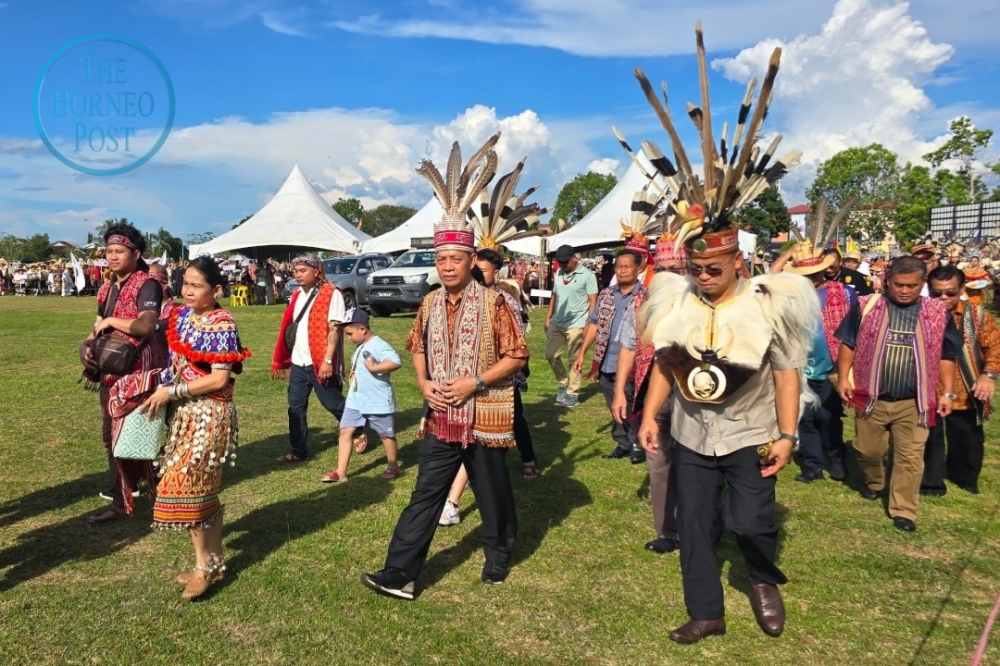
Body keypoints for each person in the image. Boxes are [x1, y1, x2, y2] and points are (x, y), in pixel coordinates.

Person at [633, 33, 814, 643]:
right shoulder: (677, 301)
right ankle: (706, 610)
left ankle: (763, 575)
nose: (703, 278)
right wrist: (651, 416)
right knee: (698, 526)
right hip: (690, 432)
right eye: (695, 269)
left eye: (712, 269)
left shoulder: (770, 303)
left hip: (750, 432)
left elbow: (788, 371)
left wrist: (788, 434)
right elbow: (666, 362)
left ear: (737, 261)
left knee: (752, 520)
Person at [362, 135, 529, 600]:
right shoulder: (430, 302)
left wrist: (475, 380)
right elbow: (416, 346)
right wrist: (423, 383)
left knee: (492, 491)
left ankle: (498, 554)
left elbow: (518, 355)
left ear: (471, 260)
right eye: (441, 259)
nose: (448, 266)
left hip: (485, 412)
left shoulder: (495, 302)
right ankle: (400, 572)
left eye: (456, 258)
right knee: (425, 494)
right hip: (442, 415)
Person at [138, 256, 251, 600]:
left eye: (196, 285)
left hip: (209, 416)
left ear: (216, 290)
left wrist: (172, 391)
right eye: (185, 283)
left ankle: (205, 567)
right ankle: (210, 562)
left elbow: (219, 378)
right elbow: (176, 362)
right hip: (183, 414)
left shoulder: (222, 323)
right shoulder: (183, 316)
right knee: (199, 489)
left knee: (188, 488)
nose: (187, 290)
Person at [438, 180, 546, 525]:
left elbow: (517, 351)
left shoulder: (503, 302)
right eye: (444, 260)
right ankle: (455, 499)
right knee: (470, 446)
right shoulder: (440, 302)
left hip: (498, 384)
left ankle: (523, 464)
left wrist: (485, 376)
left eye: (475, 268)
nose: (464, 272)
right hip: (460, 392)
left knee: (508, 428)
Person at [836, 256, 962, 532]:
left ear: (922, 285)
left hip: (914, 402)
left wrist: (948, 393)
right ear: (886, 281)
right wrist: (844, 377)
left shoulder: (938, 313)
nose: (905, 290)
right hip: (871, 398)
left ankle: (904, 509)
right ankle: (874, 482)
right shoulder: (866, 306)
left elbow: (947, 355)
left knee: (910, 458)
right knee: (869, 451)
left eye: (912, 286)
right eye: (899, 285)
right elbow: (848, 343)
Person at [78, 223, 167, 524]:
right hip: (109, 371)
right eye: (109, 251)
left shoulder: (147, 284)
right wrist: (88, 345)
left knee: (137, 437)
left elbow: (145, 325)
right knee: (111, 437)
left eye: (119, 251)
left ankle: (149, 492)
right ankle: (125, 496)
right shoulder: (106, 287)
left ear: (136, 253)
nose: (112, 257)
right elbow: (97, 324)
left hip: (138, 373)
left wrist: (112, 321)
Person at [614, 228, 687, 554]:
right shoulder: (642, 302)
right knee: (659, 464)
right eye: (666, 270)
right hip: (653, 396)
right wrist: (619, 392)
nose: (671, 276)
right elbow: (629, 347)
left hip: (695, 398)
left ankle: (699, 526)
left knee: (693, 465)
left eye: (678, 270)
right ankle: (668, 532)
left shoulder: (704, 301)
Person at [775, 231, 856, 483]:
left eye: (813, 274)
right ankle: (812, 464)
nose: (809, 279)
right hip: (799, 364)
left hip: (831, 364)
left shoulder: (844, 293)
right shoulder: (790, 294)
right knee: (805, 415)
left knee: (829, 414)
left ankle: (835, 453)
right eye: (804, 276)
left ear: (824, 271)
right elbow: (771, 276)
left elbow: (854, 330)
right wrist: (791, 251)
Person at [921, 265, 1000, 496]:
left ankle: (964, 477)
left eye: (950, 293)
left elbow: (995, 346)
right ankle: (931, 482)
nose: (944, 298)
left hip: (967, 386)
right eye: (937, 293)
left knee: (967, 437)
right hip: (929, 388)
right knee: (929, 437)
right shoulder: (920, 314)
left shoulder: (978, 315)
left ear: (962, 289)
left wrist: (988, 375)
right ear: (929, 289)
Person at [270, 255, 349, 463]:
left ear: (316, 271)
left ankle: (356, 427)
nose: (298, 275)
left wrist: (328, 361)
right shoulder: (297, 294)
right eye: (296, 271)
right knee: (295, 407)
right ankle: (298, 451)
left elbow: (335, 330)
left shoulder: (332, 295)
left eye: (303, 271)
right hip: (299, 359)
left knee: (332, 403)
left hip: (321, 360)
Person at [574, 249, 647, 463]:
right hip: (606, 360)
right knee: (613, 401)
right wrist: (581, 354)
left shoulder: (646, 297)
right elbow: (594, 324)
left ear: (638, 268)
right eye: (619, 266)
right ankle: (623, 441)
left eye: (627, 266)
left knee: (630, 401)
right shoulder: (606, 294)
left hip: (633, 362)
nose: (623, 270)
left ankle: (635, 442)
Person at [320, 308, 402, 483]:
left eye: (350, 334)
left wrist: (374, 368)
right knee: (345, 431)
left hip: (377, 400)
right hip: (356, 399)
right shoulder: (361, 346)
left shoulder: (379, 345)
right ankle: (341, 472)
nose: (348, 338)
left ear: (363, 329)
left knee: (385, 435)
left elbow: (395, 361)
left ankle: (393, 466)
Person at [545, 244, 598, 408]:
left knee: (574, 359)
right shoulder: (559, 272)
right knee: (550, 355)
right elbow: (555, 295)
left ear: (574, 257)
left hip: (577, 324)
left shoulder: (588, 276)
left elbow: (593, 301)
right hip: (558, 322)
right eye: (559, 262)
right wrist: (548, 317)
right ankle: (563, 383)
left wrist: (590, 323)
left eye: (565, 262)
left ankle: (573, 393)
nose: (562, 265)